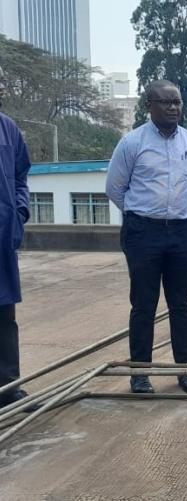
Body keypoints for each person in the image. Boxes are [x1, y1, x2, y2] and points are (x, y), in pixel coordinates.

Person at [106, 80, 187, 394]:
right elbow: (114, 188)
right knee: (143, 305)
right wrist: (141, 215)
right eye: (166, 102)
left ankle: (184, 370)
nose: (174, 108)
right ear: (149, 105)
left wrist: (176, 215)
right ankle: (140, 373)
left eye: (177, 102)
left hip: (184, 232)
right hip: (143, 234)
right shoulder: (132, 143)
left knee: (181, 304)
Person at [0, 64, 39, 412]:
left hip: (1, 241)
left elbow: (20, 175)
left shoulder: (7, 128)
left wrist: (20, 211)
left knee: (4, 318)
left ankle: (9, 388)